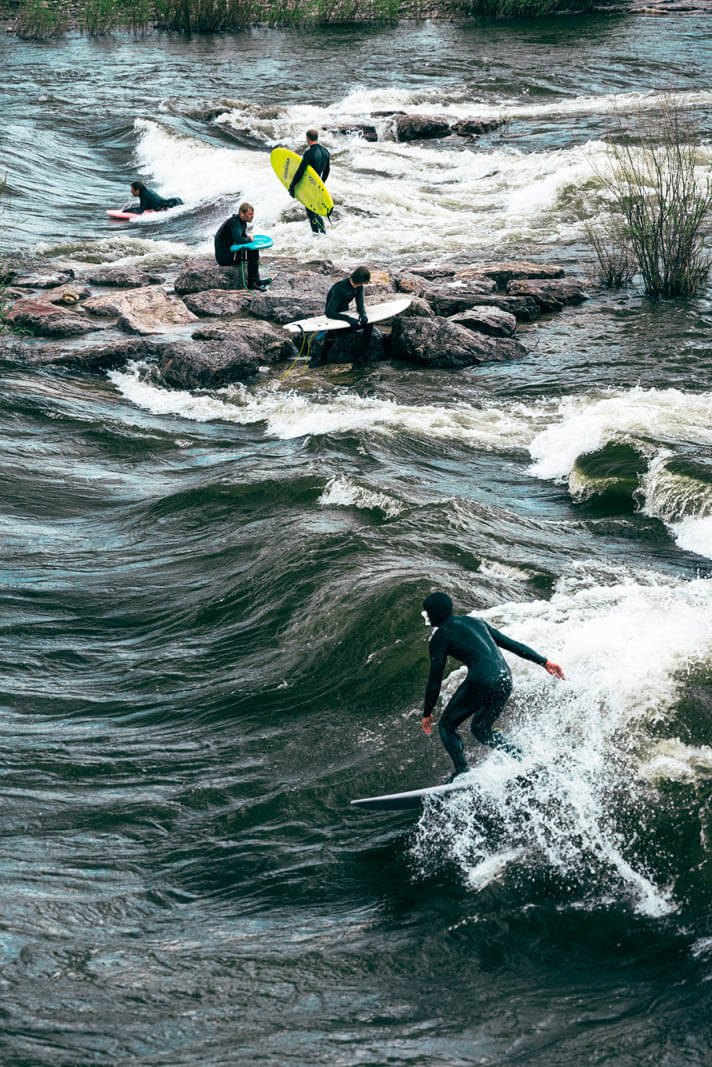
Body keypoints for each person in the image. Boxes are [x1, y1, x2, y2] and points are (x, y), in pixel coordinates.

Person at [421, 592, 565, 780]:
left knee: (447, 725)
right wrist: (544, 662)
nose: (426, 616)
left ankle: (462, 772)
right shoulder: (476, 622)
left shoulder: (440, 637)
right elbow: (511, 644)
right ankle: (521, 757)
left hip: (482, 678)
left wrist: (427, 712)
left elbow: (434, 679)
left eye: (428, 613)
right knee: (481, 729)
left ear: (436, 613)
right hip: (505, 678)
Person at [311, 265, 373, 367]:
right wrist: (349, 319)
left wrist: (363, 315)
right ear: (358, 279)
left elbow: (360, 305)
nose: (362, 284)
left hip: (345, 315)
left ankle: (361, 356)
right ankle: (322, 359)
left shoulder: (359, 287)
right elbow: (329, 312)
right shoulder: (339, 288)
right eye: (362, 282)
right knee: (332, 334)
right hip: (335, 317)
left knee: (369, 325)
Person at [213, 202, 269, 291]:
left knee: (253, 250)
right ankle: (252, 283)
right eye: (250, 214)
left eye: (253, 214)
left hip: (231, 252)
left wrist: (247, 239)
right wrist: (249, 239)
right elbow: (239, 240)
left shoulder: (243, 223)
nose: (252, 216)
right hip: (224, 257)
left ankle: (257, 281)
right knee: (252, 251)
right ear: (242, 213)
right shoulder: (234, 222)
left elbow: (243, 238)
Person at [288, 129, 331, 235]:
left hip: (309, 186)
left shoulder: (309, 152)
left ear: (307, 138)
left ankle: (317, 234)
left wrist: (292, 186)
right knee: (314, 211)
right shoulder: (326, 152)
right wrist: (322, 184)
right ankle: (321, 233)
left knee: (311, 212)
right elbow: (327, 170)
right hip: (318, 185)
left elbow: (300, 171)